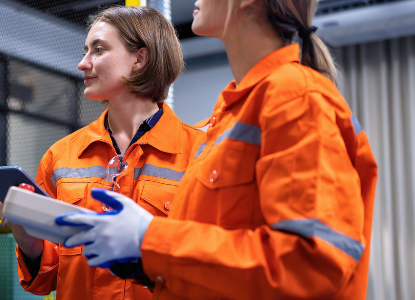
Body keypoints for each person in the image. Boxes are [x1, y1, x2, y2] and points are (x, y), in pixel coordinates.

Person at [56, 0, 378, 299]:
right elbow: (217, 264)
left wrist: (149, 237)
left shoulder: (295, 98)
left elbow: (310, 265)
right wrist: (145, 259)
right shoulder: (227, 116)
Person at [0, 6, 205, 300]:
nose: (83, 63)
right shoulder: (61, 156)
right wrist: (25, 235)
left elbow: (210, 265)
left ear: (140, 58)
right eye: (86, 51)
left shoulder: (200, 153)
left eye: (98, 49)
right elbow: (46, 279)